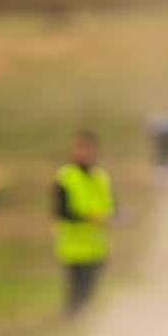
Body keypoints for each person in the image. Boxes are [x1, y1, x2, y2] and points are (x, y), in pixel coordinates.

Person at [52, 130, 114, 316]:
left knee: (90, 292)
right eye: (79, 147)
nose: (83, 152)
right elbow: (61, 211)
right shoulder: (65, 176)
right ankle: (71, 320)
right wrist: (90, 218)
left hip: (97, 247)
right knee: (76, 293)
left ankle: (85, 322)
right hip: (73, 247)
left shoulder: (101, 177)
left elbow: (111, 205)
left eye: (86, 147)